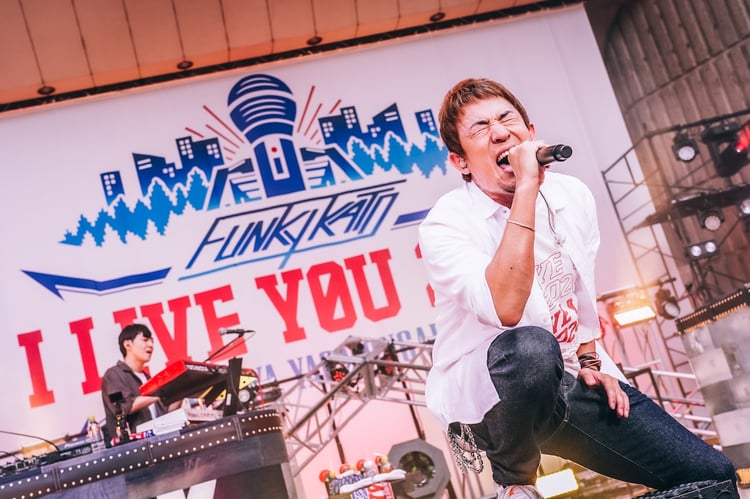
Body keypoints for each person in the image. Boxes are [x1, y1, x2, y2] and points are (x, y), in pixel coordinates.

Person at [417, 78, 738, 499]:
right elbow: (505, 310)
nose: (499, 132)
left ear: (531, 133)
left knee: (714, 476)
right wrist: (526, 188)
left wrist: (590, 360)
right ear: (460, 162)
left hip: (565, 380)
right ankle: (514, 482)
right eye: (480, 128)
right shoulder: (446, 223)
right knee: (531, 347)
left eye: (506, 118)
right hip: (491, 398)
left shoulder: (572, 195)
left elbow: (579, 293)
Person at [100, 323, 170, 444]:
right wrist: (161, 392)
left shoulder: (148, 378)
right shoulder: (112, 376)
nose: (151, 345)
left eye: (152, 341)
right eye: (145, 340)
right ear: (128, 344)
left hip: (159, 442)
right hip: (133, 447)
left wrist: (182, 390)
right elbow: (121, 407)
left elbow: (165, 410)